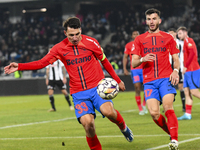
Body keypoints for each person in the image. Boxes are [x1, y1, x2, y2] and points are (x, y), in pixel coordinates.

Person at [4, 17, 133, 150]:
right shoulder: (59, 48)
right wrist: (19, 66)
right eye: (71, 35)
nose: (75, 37)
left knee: (109, 112)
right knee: (88, 125)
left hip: (97, 87)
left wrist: (118, 80)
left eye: (78, 34)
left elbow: (104, 61)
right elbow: (41, 63)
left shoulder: (91, 42)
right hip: (79, 93)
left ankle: (123, 127)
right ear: (65, 33)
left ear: (80, 30)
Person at [131, 8, 180, 150]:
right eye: (148, 19)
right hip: (149, 81)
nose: (151, 22)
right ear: (146, 21)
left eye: (154, 19)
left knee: (167, 107)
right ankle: (171, 133)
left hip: (166, 78)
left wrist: (176, 71)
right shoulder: (139, 39)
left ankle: (175, 141)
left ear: (159, 20)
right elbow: (134, 62)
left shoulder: (168, 38)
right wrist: (142, 58)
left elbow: (176, 59)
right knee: (154, 113)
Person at [177, 26, 200, 120]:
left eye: (180, 33)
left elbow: (192, 54)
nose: (178, 36)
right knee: (186, 92)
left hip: (192, 70)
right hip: (187, 71)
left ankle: (187, 113)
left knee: (194, 92)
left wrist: (185, 66)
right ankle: (187, 114)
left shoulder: (188, 40)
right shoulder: (184, 42)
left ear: (185, 33)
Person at [123, 30, 148, 115]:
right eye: (134, 34)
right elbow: (125, 57)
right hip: (135, 69)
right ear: (132, 36)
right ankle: (140, 108)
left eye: (137, 34)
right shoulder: (128, 45)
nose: (135, 35)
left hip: (144, 68)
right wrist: (124, 68)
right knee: (137, 88)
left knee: (146, 87)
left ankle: (144, 104)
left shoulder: (143, 44)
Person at [168, 28, 186, 112]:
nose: (171, 35)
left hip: (178, 67)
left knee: (180, 86)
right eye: (169, 33)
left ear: (175, 33)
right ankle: (168, 106)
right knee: (169, 87)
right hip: (169, 68)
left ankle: (184, 106)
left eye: (172, 33)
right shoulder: (166, 44)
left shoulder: (180, 44)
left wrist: (183, 67)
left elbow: (182, 56)